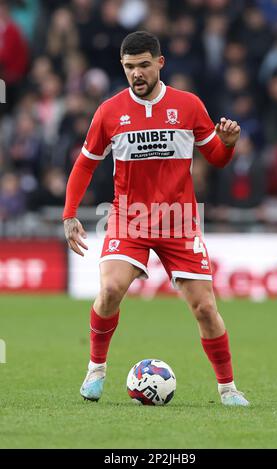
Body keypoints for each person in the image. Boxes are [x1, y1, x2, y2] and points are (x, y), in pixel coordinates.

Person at [63, 31, 249, 406]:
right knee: (111, 289)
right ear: (122, 66)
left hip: (179, 220)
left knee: (205, 308)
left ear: (160, 63)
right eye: (130, 67)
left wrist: (227, 143)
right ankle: (96, 369)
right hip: (128, 218)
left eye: (144, 65)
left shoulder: (189, 105)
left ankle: (228, 389)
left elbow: (215, 156)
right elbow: (85, 164)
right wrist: (69, 215)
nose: (137, 74)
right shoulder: (109, 112)